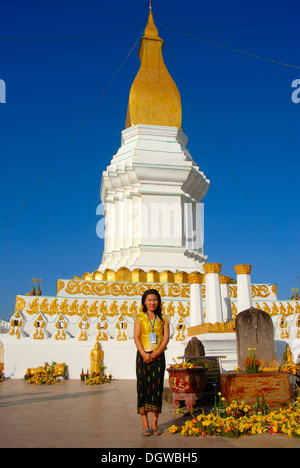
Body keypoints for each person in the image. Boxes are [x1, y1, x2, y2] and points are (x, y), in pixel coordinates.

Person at [134, 289, 170, 436]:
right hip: (143, 356)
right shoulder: (139, 318)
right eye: (149, 300)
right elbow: (136, 337)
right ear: (144, 302)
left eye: (154, 300)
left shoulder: (164, 318)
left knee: (156, 388)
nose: (152, 303)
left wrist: (156, 353)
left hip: (158, 355)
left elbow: (166, 337)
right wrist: (144, 354)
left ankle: (155, 423)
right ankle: (145, 424)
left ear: (158, 301)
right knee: (142, 387)